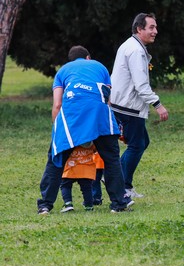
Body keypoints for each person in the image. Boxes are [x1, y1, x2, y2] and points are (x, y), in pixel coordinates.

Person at [37, 46, 133, 214]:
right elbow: (106, 98)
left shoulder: (62, 71)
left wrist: (57, 131)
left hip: (73, 115)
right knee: (111, 159)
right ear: (88, 58)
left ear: (71, 60)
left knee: (55, 159)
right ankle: (118, 204)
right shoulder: (100, 67)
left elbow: (57, 104)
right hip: (99, 114)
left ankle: (45, 205)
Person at [110, 13, 169, 199]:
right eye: (151, 27)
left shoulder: (132, 45)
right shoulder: (135, 50)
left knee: (141, 143)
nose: (155, 31)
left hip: (123, 104)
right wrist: (158, 104)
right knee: (137, 145)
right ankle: (122, 184)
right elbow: (141, 85)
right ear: (139, 29)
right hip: (128, 107)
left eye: (155, 27)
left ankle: (117, 179)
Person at [60, 144, 96, 212]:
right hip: (86, 169)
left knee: (65, 186)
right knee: (87, 188)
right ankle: (89, 206)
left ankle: (68, 204)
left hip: (71, 168)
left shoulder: (71, 138)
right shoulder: (90, 138)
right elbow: (95, 149)